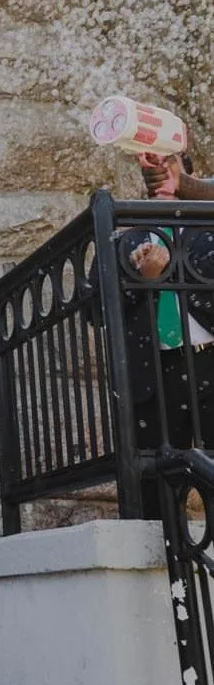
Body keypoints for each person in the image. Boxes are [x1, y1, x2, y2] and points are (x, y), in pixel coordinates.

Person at [121, 152, 214, 494]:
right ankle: (166, 544)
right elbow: (96, 312)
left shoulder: (208, 228)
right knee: (159, 478)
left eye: (170, 174)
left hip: (210, 359)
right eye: (154, 176)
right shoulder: (126, 237)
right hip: (157, 373)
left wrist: (185, 185)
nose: (163, 182)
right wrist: (143, 280)